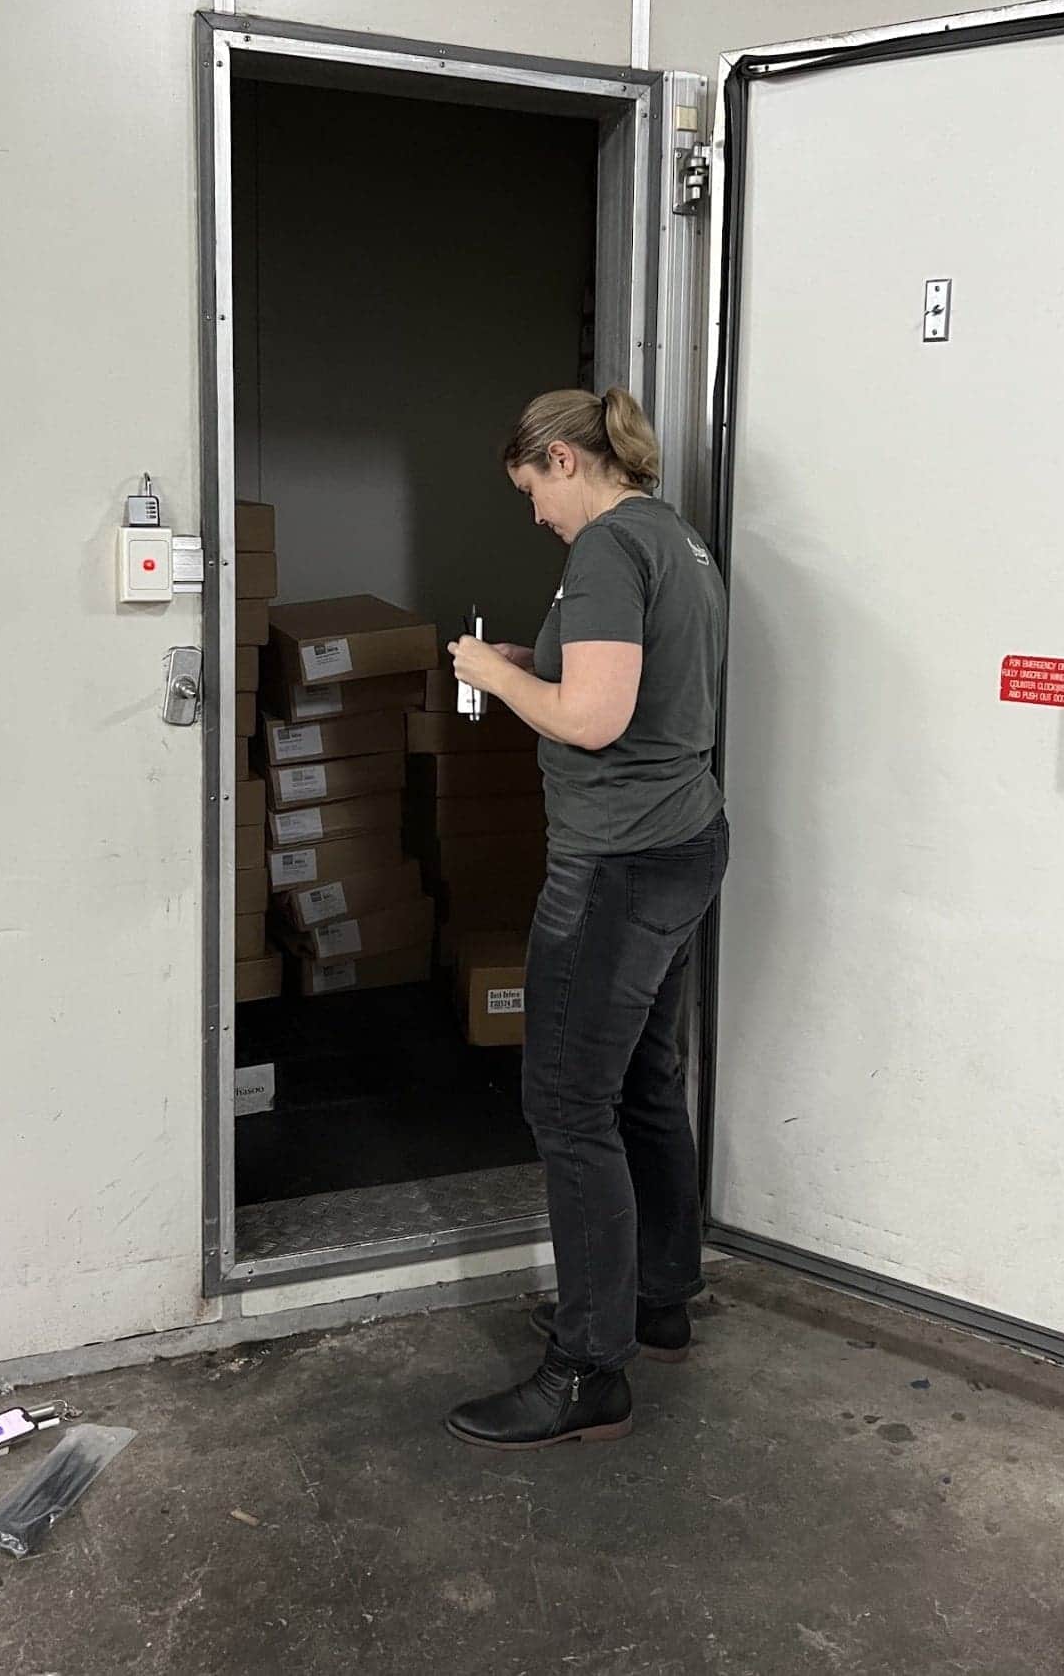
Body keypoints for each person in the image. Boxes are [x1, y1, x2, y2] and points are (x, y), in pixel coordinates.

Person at [444, 386, 729, 1450]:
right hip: (680, 844)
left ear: (563, 460)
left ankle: (585, 1370)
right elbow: (624, 689)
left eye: (531, 491)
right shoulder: (675, 543)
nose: (533, 517)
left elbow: (595, 719)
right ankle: (655, 1300)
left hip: (617, 866)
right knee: (643, 1081)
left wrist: (484, 672)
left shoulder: (607, 550)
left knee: (568, 1105)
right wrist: (536, 664)